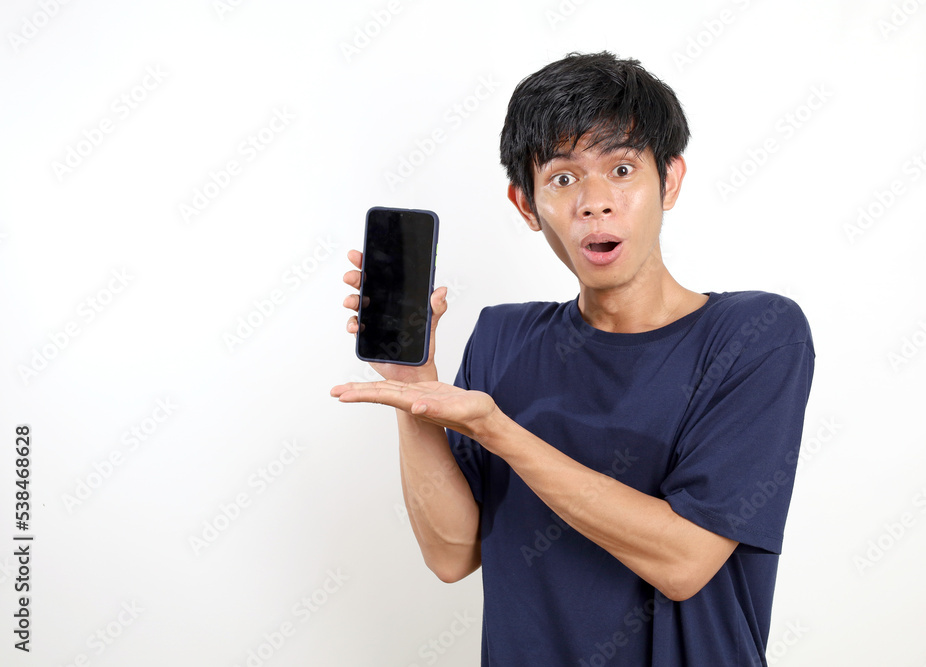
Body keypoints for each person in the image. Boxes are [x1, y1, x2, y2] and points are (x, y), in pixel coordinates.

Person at [333, 51, 815, 666]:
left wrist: (498, 431)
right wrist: (414, 389)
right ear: (526, 205)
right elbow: (451, 554)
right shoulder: (503, 336)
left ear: (669, 180)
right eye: (563, 178)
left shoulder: (756, 334)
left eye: (621, 169)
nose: (594, 202)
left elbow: (684, 560)